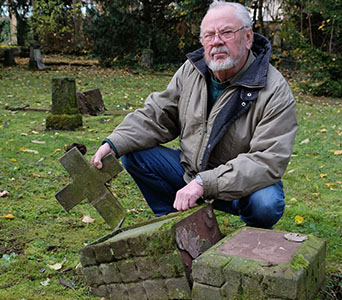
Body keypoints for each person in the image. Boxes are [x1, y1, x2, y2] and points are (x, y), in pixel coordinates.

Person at [91, 0, 297, 229]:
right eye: (209, 35)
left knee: (266, 203)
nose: (216, 41)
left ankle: (249, 238)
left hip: (239, 187)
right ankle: (174, 223)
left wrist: (205, 183)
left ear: (248, 37)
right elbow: (157, 113)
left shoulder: (274, 89)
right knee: (135, 154)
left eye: (226, 32)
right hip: (189, 172)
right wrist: (114, 143)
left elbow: (267, 160)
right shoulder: (192, 70)